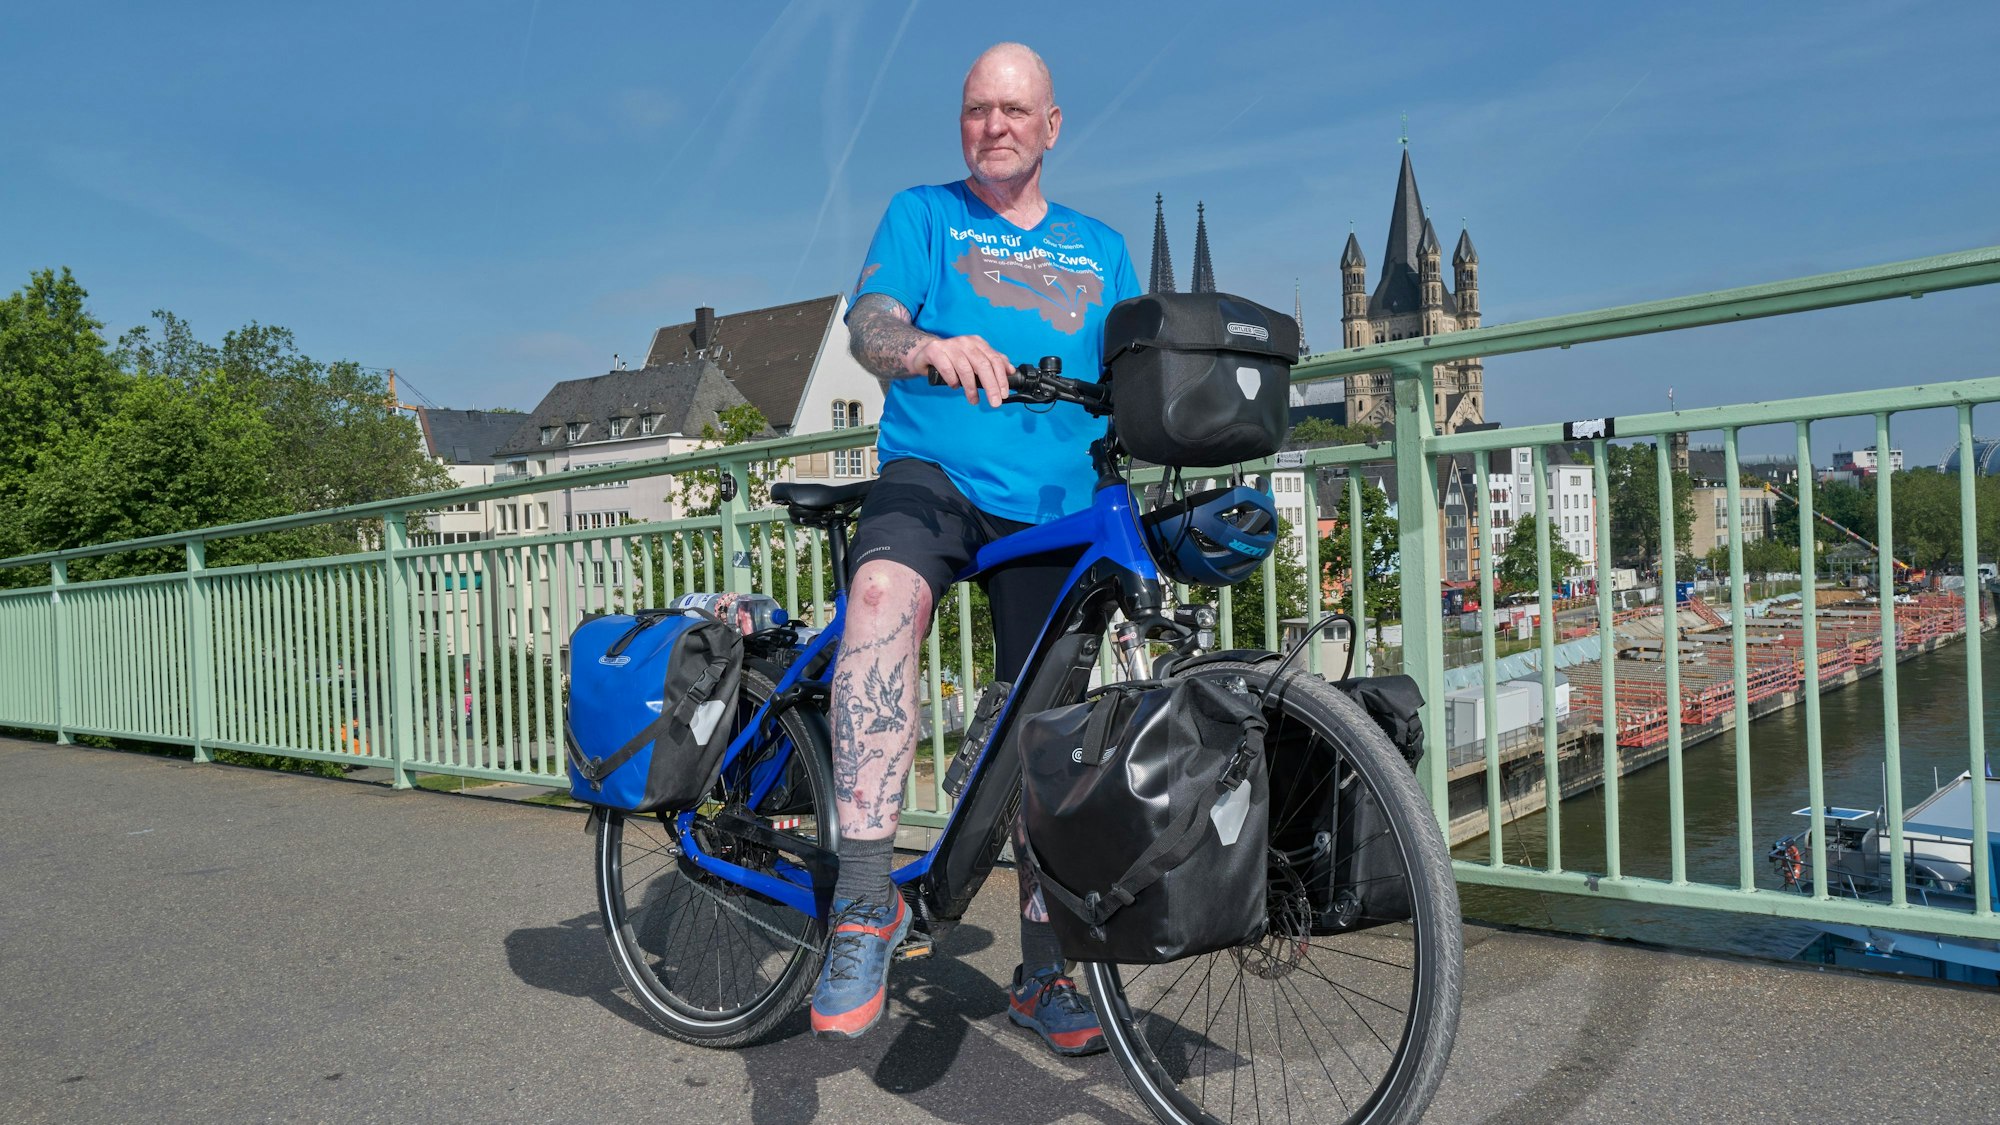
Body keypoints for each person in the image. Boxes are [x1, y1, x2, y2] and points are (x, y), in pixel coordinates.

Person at [809, 42, 1140, 1054]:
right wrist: (923, 348)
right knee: (877, 605)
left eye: (1011, 110)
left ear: (1050, 127)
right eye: (973, 110)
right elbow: (868, 324)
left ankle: (1044, 978)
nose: (991, 125)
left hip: (1059, 504)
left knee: (1060, 736)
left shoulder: (1103, 249)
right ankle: (864, 903)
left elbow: (1140, 373)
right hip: (935, 481)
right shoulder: (923, 216)